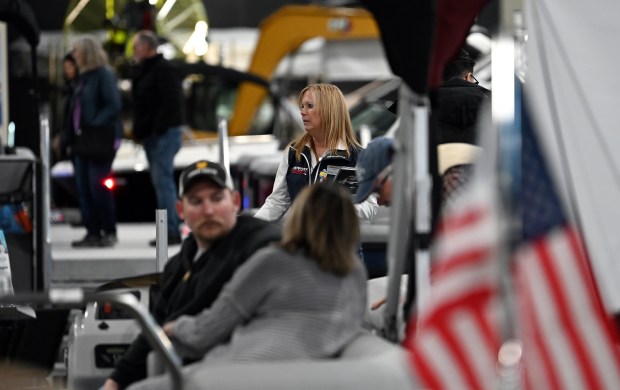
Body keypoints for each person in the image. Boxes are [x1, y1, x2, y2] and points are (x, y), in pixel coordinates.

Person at [127, 182, 367, 390]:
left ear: (299, 217)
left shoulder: (274, 261)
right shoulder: (355, 274)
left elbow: (207, 332)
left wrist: (175, 327)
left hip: (240, 372)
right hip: (309, 377)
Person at [103, 160, 281, 390]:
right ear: (180, 210)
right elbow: (153, 330)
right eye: (196, 201)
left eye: (217, 198)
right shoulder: (177, 266)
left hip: (242, 372)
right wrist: (114, 382)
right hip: (190, 374)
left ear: (235, 202)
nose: (208, 210)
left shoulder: (259, 245)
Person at [253, 83, 378, 222]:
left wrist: (338, 207)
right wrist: (251, 227)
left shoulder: (357, 156)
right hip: (302, 241)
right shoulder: (294, 152)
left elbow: (370, 207)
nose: (302, 111)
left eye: (310, 106)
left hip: (340, 242)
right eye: (302, 106)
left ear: (329, 110)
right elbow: (277, 201)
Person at [64, 35, 123, 248]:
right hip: (82, 142)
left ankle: (108, 230)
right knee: (84, 188)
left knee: (97, 186)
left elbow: (113, 105)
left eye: (77, 51)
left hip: (98, 140)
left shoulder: (103, 76)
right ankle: (92, 232)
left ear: (87, 52)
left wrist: (93, 125)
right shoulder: (82, 78)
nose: (74, 55)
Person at [131, 30, 185, 246]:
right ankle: (168, 229)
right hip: (154, 134)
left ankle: (171, 230)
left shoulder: (163, 70)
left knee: (163, 182)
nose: (133, 52)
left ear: (146, 48)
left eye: (136, 47)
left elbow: (172, 103)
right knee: (161, 182)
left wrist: (157, 128)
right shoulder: (147, 70)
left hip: (163, 134)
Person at [53, 52, 79, 162]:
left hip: (76, 140)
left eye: (69, 67)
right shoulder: (67, 89)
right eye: (65, 68)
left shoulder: (77, 90)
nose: (66, 71)